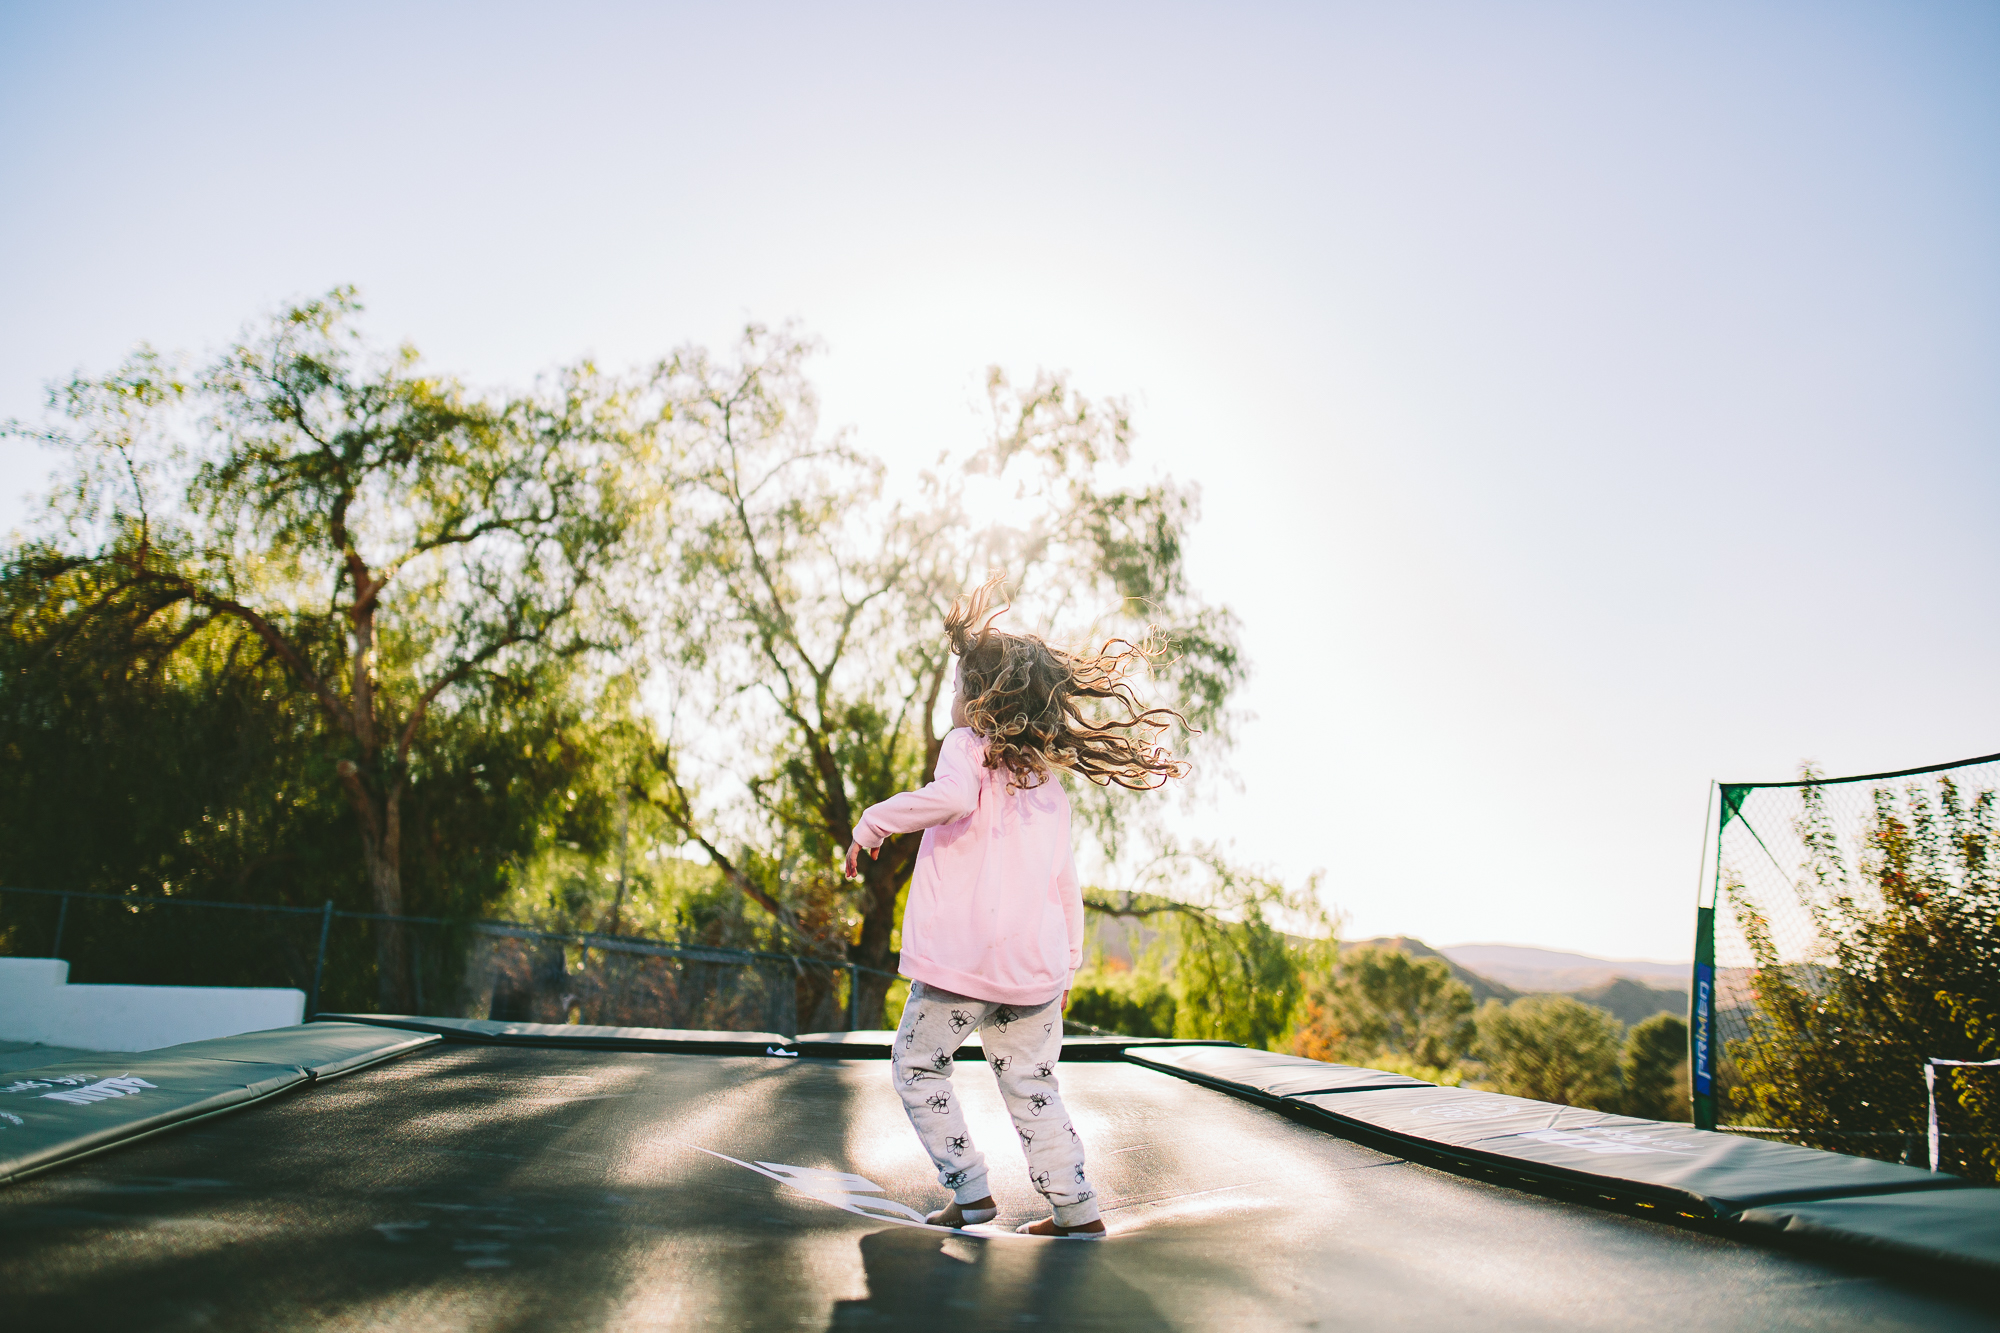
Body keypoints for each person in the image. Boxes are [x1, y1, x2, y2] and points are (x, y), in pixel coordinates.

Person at [843, 574, 1190, 1239]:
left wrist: (873, 821)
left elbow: (950, 801)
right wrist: (1068, 964)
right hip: (1033, 976)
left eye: (955, 686)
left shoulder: (964, 748)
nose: (951, 695)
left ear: (979, 698)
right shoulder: (1046, 782)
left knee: (918, 1066)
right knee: (1033, 1088)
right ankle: (1076, 1208)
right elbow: (1066, 882)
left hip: (957, 969)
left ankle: (970, 1190)